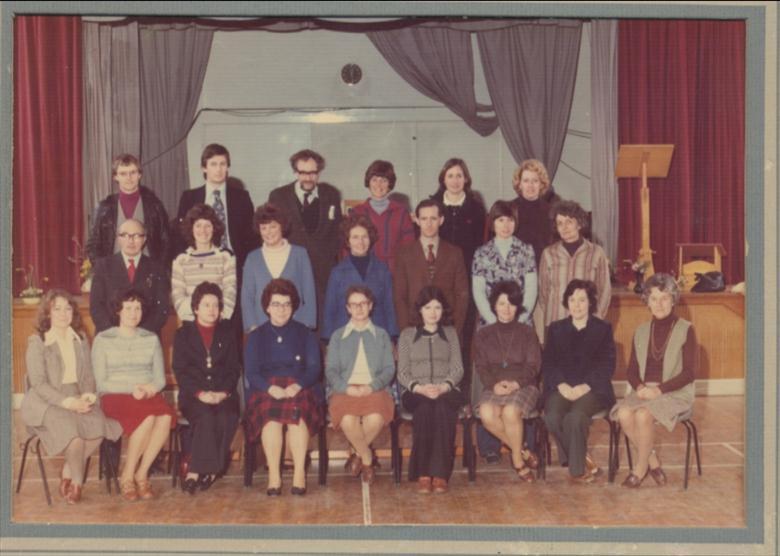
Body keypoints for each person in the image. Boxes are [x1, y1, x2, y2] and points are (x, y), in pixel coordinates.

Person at [20, 289, 122, 504]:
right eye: (56, 308)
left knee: (100, 426)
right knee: (73, 434)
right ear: (47, 312)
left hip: (76, 395)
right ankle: (77, 484)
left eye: (68, 308)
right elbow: (38, 384)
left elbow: (87, 375)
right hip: (46, 401)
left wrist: (86, 397)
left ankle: (67, 471)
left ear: (73, 313)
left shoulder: (81, 338)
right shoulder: (37, 341)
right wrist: (68, 403)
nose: (63, 313)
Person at [610, 273, 697, 488]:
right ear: (647, 301)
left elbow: (689, 373)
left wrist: (659, 390)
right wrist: (639, 387)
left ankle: (639, 471)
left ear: (674, 299)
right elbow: (631, 371)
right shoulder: (640, 331)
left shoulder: (686, 329)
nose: (659, 304)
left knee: (643, 415)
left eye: (665, 297)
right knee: (623, 413)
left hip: (674, 392)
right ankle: (653, 461)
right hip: (643, 391)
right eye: (654, 298)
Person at [92, 289, 176, 501]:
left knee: (165, 416)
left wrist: (148, 390)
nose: (133, 313)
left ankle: (141, 473)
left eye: (137, 308)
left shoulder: (151, 338)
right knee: (147, 418)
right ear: (118, 311)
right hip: (115, 394)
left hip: (146, 394)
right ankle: (127, 475)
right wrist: (134, 388)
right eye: (128, 308)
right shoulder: (103, 339)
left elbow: (160, 380)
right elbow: (102, 382)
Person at [471, 200, 537, 463]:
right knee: (490, 385)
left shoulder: (526, 250)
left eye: (509, 220)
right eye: (500, 220)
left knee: (519, 387)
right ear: (493, 222)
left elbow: (531, 288)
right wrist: (495, 319)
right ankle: (496, 448)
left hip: (520, 323)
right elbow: (478, 290)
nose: (505, 225)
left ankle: (523, 447)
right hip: (490, 324)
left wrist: (517, 318)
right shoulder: (482, 253)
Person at [244, 279, 323, 496]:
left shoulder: (305, 333)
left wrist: (298, 385)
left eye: (287, 304)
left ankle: (299, 474)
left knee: (297, 418)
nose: (281, 309)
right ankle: (274, 476)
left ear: (293, 307)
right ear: (267, 307)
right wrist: (270, 389)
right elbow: (251, 372)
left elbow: (314, 368)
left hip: (299, 386)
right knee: (271, 419)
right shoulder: (256, 336)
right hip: (266, 389)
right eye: (276, 304)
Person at [542, 279, 616, 484]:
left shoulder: (603, 329)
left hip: (593, 390)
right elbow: (548, 363)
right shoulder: (556, 329)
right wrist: (562, 385)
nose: (577, 305)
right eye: (572, 299)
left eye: (582, 300)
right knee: (552, 417)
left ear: (590, 303)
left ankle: (577, 470)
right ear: (566, 302)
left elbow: (607, 365)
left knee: (575, 418)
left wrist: (585, 386)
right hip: (562, 388)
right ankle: (581, 456)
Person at [172, 282, 240, 494]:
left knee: (226, 416)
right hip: (193, 395)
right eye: (206, 305)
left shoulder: (228, 333)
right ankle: (198, 471)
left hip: (223, 394)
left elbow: (233, 369)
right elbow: (181, 371)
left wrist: (223, 393)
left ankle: (207, 471)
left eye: (216, 305)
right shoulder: (183, 334)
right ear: (195, 308)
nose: (212, 310)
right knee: (205, 417)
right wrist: (201, 393)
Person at [325, 286, 396, 485]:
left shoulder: (381, 335)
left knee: (375, 419)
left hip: (374, 388)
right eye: (354, 305)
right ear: (347, 308)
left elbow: (389, 369)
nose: (359, 308)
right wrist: (346, 388)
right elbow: (331, 370)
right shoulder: (338, 336)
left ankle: (356, 453)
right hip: (344, 389)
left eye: (363, 304)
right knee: (348, 420)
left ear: (370, 306)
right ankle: (366, 459)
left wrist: (371, 387)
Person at [397, 286, 465, 494]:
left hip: (447, 389)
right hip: (416, 391)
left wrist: (444, 386)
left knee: (443, 409)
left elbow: (458, 368)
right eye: (428, 307)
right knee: (426, 409)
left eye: (437, 307)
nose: (433, 312)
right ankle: (424, 472)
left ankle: (440, 474)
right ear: (420, 310)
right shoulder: (407, 335)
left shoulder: (451, 334)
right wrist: (420, 388)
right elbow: (402, 372)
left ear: (443, 310)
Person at [473, 281, 541, 483]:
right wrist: (494, 385)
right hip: (494, 384)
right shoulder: (483, 334)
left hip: (524, 385)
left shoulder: (527, 332)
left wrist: (515, 384)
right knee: (486, 413)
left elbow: (533, 366)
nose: (506, 309)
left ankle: (518, 461)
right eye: (501, 303)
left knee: (511, 411)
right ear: (494, 306)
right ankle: (522, 450)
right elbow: (481, 367)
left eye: (511, 304)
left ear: (518, 307)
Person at [268, 149, 343, 330]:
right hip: (291, 268)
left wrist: (329, 259)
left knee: (323, 322)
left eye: (313, 173)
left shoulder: (331, 194)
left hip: (323, 271)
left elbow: (337, 231)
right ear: (295, 172)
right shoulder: (278, 196)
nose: (308, 178)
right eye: (303, 173)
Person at [394, 199, 470, 340]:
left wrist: (454, 331)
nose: (428, 224)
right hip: (414, 329)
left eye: (433, 218)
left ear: (441, 220)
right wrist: (407, 333)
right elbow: (400, 298)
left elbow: (462, 296)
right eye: (424, 218)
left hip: (447, 328)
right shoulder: (404, 254)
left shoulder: (455, 253)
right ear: (416, 220)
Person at [175, 144, 257, 273]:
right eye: (213, 164)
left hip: (235, 265)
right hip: (199, 264)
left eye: (222, 164)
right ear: (204, 168)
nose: (218, 169)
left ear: (227, 167)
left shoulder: (242, 198)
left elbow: (252, 236)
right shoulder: (189, 198)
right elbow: (181, 236)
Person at [321, 213, 398, 342]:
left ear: (371, 239)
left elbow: (389, 306)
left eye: (365, 237)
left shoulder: (382, 269)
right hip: (345, 336)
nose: (360, 242)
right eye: (355, 237)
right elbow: (330, 309)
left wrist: (392, 338)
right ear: (348, 241)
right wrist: (329, 342)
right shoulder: (337, 272)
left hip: (377, 335)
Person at [241, 204, 317, 333]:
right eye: (264, 228)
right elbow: (247, 297)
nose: (268, 232)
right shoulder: (252, 258)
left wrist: (305, 324)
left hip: (296, 326)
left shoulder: (300, 254)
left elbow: (309, 293)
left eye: (273, 226)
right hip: (261, 328)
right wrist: (253, 326)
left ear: (282, 226)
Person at [86, 153, 171, 266]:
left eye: (133, 172)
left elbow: (166, 241)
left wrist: (158, 270)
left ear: (139, 174)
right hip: (114, 273)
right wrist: (104, 272)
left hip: (147, 272)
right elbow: (93, 245)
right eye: (123, 173)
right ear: (115, 177)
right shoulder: (103, 208)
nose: (128, 178)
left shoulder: (155, 206)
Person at [538, 200, 611, 331]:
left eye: (569, 222)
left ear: (579, 224)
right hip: (555, 322)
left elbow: (604, 290)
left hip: (587, 324)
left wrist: (595, 318)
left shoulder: (596, 252)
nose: (564, 227)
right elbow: (543, 293)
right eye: (560, 223)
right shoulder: (548, 254)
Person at [90, 218, 171, 334]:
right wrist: (118, 334)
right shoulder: (103, 266)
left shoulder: (157, 268)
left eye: (137, 236)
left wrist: (139, 335)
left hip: (146, 338)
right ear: (118, 239)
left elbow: (162, 309)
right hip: (111, 337)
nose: (131, 240)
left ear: (144, 239)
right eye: (125, 235)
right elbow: (96, 307)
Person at [171, 204, 236, 322]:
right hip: (191, 323)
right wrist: (199, 319)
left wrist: (216, 318)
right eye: (198, 226)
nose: (203, 231)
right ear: (191, 228)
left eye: (208, 226)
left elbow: (230, 293)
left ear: (214, 228)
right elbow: (178, 297)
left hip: (219, 322)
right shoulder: (181, 259)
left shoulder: (226, 257)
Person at [351, 160, 415, 271]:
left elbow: (409, 248)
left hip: (394, 273)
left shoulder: (401, 212)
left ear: (390, 184)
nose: (378, 185)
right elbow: (347, 247)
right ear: (368, 182)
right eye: (374, 180)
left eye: (384, 180)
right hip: (364, 270)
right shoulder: (357, 212)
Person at [430, 158, 486, 274]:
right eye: (450, 176)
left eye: (459, 176)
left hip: (467, 270)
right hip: (438, 270)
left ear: (465, 179)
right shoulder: (431, 207)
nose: (455, 181)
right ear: (443, 180)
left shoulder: (477, 208)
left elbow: (480, 244)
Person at [511, 158, 561, 266]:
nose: (530, 185)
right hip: (516, 266)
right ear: (519, 184)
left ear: (541, 184)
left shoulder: (551, 211)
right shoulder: (510, 208)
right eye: (526, 181)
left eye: (535, 181)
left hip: (543, 266)